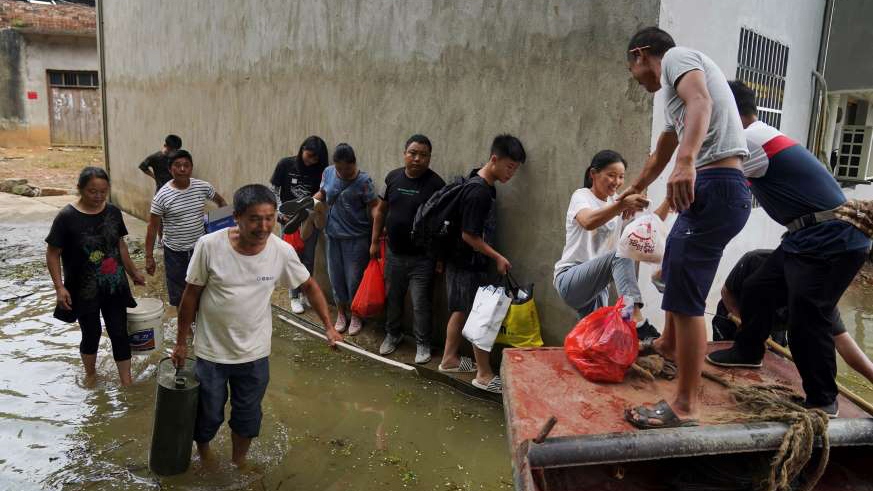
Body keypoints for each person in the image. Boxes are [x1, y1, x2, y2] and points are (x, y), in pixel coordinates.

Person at [705, 80, 872, 416]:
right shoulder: (758, 137)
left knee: (808, 318)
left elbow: (711, 178)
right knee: (759, 286)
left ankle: (823, 400)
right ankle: (748, 352)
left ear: (728, 112)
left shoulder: (750, 140)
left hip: (830, 237)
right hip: (805, 237)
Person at [622, 27, 752, 429]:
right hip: (714, 191)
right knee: (675, 271)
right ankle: (666, 343)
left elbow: (702, 102)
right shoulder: (669, 97)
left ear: (642, 54)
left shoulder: (678, 60)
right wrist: (637, 187)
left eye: (632, 67)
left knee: (686, 298)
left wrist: (687, 160)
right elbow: (662, 151)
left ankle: (684, 407)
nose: (636, 77)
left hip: (717, 185)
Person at [171, 184, 342, 469]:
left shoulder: (281, 250)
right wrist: (180, 342)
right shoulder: (209, 246)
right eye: (255, 218)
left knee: (248, 415)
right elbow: (190, 296)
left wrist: (329, 327)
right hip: (212, 352)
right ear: (237, 216)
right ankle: (205, 455)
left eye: (269, 218)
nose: (264, 226)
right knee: (208, 413)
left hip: (254, 354)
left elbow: (310, 285)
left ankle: (239, 461)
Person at [437, 134, 526, 394]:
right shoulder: (479, 192)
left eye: (516, 169)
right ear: (494, 159)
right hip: (467, 261)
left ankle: (449, 359)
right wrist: (497, 256)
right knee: (479, 315)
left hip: (460, 260)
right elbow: (469, 235)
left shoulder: (478, 182)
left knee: (461, 310)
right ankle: (484, 374)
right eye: (510, 166)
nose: (512, 173)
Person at [712, 249, 873, 388]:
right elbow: (727, 292)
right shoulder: (756, 261)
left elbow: (843, 343)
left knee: (772, 365)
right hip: (735, 320)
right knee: (731, 372)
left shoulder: (820, 296)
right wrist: (744, 324)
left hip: (775, 328)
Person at [46, 167, 146, 386]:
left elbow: (120, 245)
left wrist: (133, 271)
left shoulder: (113, 212)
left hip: (114, 285)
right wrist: (59, 287)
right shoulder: (66, 217)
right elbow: (53, 254)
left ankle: (126, 383)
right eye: (92, 191)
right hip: (84, 288)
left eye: (103, 191)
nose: (98, 196)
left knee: (119, 332)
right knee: (91, 333)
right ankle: (91, 375)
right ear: (80, 189)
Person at [554, 149, 668, 339]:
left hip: (598, 288)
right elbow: (588, 221)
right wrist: (621, 205)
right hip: (570, 279)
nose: (617, 182)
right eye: (611, 175)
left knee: (600, 341)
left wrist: (669, 200)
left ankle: (628, 326)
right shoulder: (582, 196)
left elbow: (648, 229)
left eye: (621, 177)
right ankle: (635, 319)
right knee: (620, 254)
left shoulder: (617, 204)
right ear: (593, 174)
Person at [372, 134, 446, 363]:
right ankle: (393, 334)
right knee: (393, 298)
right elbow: (381, 211)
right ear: (405, 154)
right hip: (394, 253)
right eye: (413, 153)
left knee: (420, 303)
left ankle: (423, 344)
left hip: (422, 258)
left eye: (423, 155)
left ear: (429, 159)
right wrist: (374, 241)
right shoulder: (393, 178)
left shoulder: (436, 184)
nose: (417, 159)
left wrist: (440, 258)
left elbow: (444, 224)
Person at [144, 150, 227, 308]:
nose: (182, 169)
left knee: (202, 286)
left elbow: (221, 202)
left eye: (186, 165)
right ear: (170, 169)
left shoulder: (203, 187)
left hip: (200, 249)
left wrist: (221, 228)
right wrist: (149, 256)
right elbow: (152, 227)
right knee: (179, 291)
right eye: (177, 166)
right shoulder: (162, 196)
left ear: (191, 168)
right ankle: (186, 328)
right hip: (175, 252)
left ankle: (200, 320)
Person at [313, 143, 381, 336]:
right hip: (332, 235)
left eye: (347, 168)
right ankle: (341, 314)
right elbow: (323, 194)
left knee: (354, 279)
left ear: (354, 164)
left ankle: (356, 314)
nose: (342, 172)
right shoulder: (328, 173)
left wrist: (379, 225)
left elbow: (374, 206)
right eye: (339, 168)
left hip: (356, 238)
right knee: (336, 278)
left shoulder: (364, 181)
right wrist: (311, 203)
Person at [270, 136, 329, 314]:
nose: (311, 160)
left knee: (308, 258)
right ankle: (294, 296)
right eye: (309, 155)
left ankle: (305, 294)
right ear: (302, 149)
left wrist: (315, 201)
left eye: (315, 158)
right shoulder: (285, 165)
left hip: (309, 218)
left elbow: (323, 191)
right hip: (288, 220)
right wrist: (280, 211)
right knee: (292, 257)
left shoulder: (322, 170)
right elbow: (274, 189)